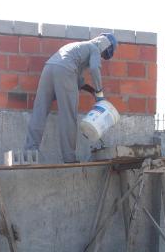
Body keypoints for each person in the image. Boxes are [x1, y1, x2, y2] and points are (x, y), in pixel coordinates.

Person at [24, 33, 118, 163]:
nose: (101, 56)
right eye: (103, 54)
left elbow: (76, 75)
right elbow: (95, 68)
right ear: (106, 46)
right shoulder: (95, 48)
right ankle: (69, 158)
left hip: (49, 68)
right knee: (68, 116)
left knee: (40, 111)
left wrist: (89, 89)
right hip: (65, 71)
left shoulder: (78, 46)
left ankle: (29, 153)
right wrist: (99, 93)